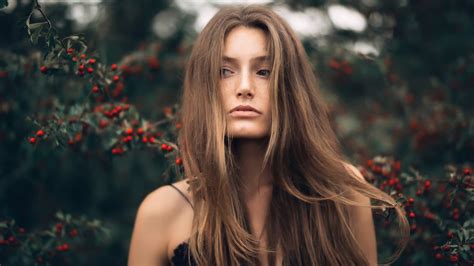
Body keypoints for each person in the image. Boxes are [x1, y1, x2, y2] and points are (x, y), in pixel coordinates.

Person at [128, 4, 409, 266]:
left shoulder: (341, 194)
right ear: (205, 87)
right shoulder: (161, 212)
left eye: (264, 71)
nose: (245, 87)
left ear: (290, 87)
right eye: (225, 71)